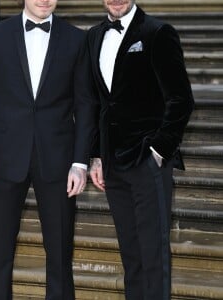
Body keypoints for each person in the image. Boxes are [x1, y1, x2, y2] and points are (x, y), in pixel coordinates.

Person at [0, 0, 95, 298]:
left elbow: (86, 105)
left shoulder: (77, 39)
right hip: (2, 161)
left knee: (61, 255)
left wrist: (80, 162)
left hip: (59, 162)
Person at [87, 0, 194, 299]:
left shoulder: (158, 32)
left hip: (147, 161)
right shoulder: (94, 36)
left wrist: (160, 149)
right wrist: (96, 155)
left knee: (152, 252)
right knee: (131, 253)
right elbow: (98, 103)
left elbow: (181, 99)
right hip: (112, 163)